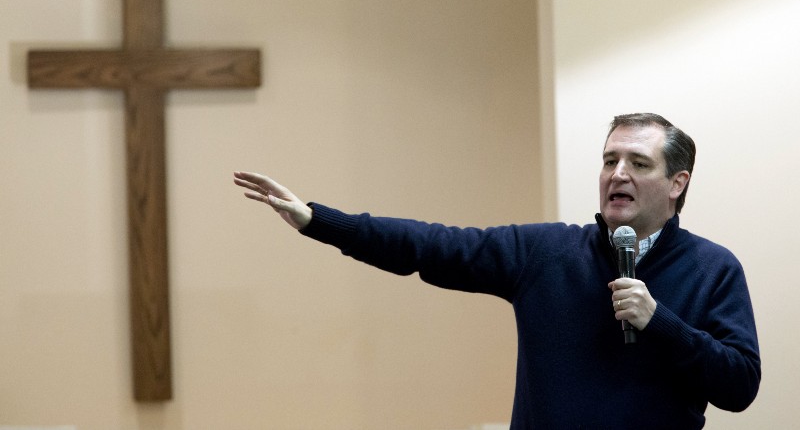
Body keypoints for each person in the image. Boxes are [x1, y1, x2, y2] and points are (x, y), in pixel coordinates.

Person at [233, 112, 760, 429]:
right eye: (608, 160)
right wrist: (318, 221)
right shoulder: (546, 253)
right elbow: (430, 246)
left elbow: (739, 386)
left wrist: (660, 322)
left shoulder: (713, 268)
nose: (617, 174)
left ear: (677, 183)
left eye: (638, 163)